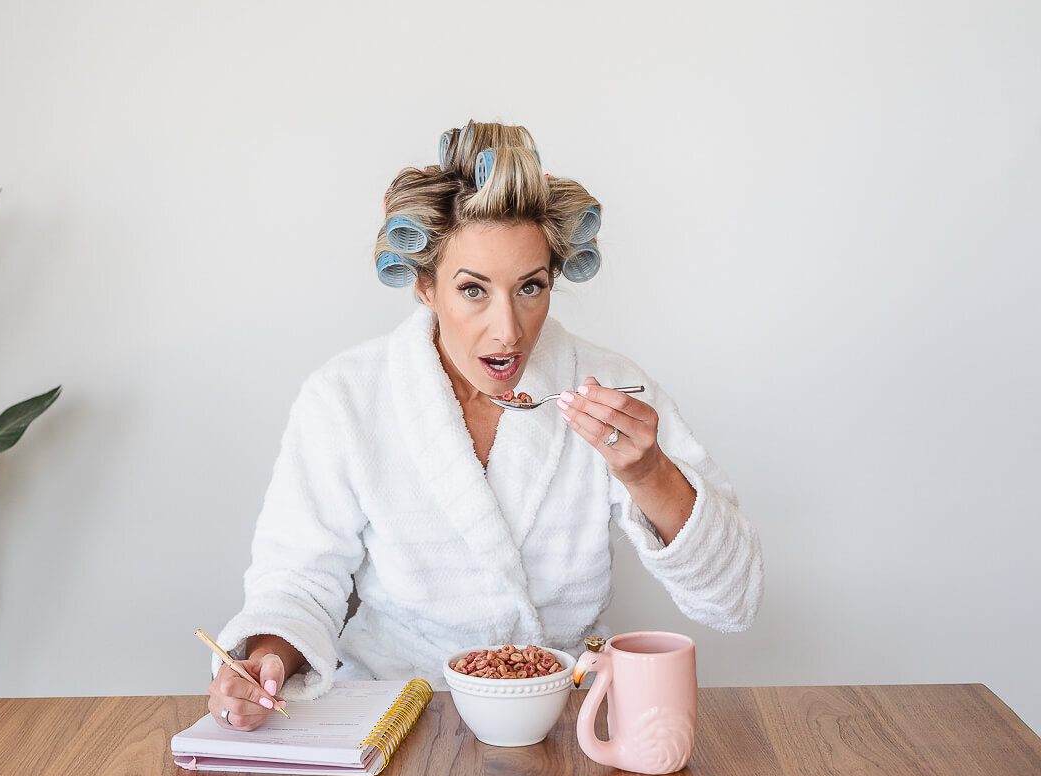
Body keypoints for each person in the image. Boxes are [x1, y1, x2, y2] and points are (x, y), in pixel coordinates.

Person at [207, 121, 763, 731]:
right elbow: (299, 577)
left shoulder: (609, 387)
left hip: (568, 715)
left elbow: (734, 599)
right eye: (473, 290)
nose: (508, 330)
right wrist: (265, 660)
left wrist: (649, 473)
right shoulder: (346, 399)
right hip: (397, 714)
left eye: (530, 287)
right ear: (425, 286)